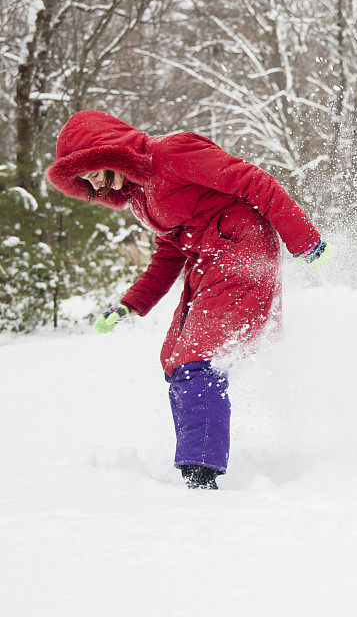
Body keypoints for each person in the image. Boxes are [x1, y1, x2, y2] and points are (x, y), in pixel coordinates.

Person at [46, 110, 329, 490]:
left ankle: (201, 472)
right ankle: (195, 462)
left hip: (242, 253)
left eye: (92, 166)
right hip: (207, 265)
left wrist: (303, 238)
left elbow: (253, 182)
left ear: (112, 151)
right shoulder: (140, 196)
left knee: (199, 358)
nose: (92, 181)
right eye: (83, 177)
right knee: (174, 356)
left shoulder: (173, 153)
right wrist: (131, 303)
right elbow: (169, 253)